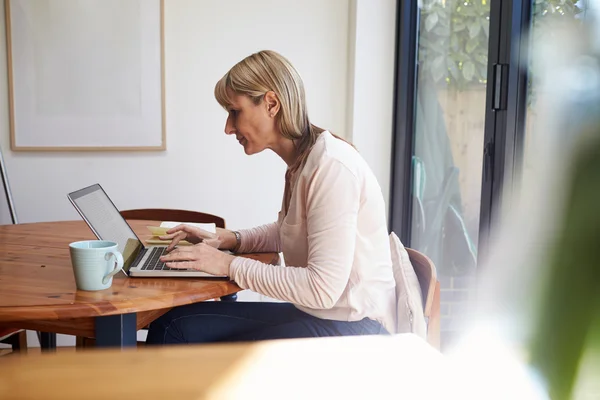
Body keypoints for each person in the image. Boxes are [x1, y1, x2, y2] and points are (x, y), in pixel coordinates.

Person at [146, 50, 396, 345]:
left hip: (356, 330)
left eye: (234, 111)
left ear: (271, 104)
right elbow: (290, 231)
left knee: (183, 337)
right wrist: (229, 239)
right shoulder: (303, 162)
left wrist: (226, 265)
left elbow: (321, 288)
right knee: (173, 323)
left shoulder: (331, 168)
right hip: (324, 316)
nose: (228, 128)